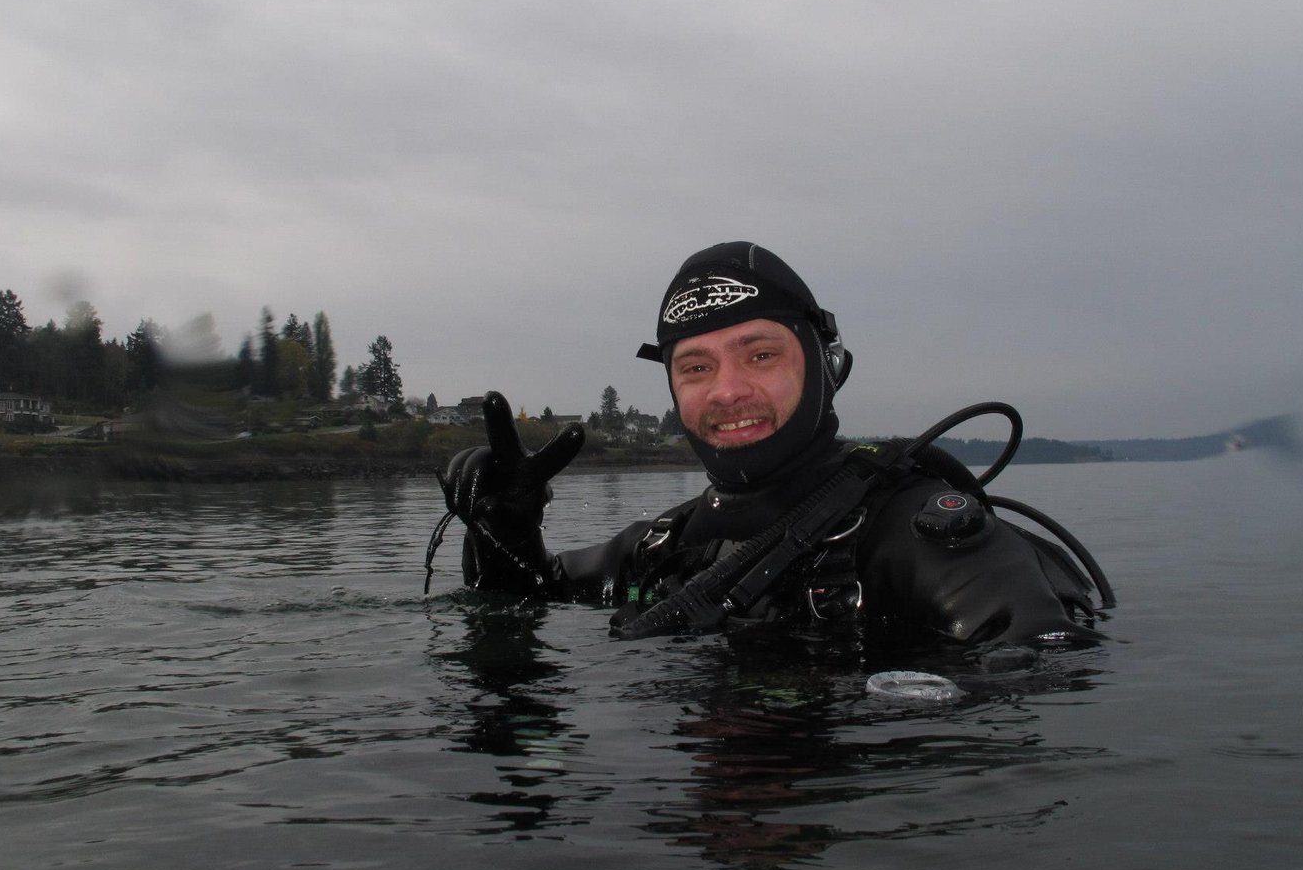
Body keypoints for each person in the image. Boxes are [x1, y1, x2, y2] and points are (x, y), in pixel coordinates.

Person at [433, 241, 1110, 648]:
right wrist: (506, 533)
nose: (726, 391)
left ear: (825, 365)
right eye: (696, 367)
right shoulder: (661, 551)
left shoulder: (914, 541)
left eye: (760, 355)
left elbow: (1046, 670)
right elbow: (520, 607)